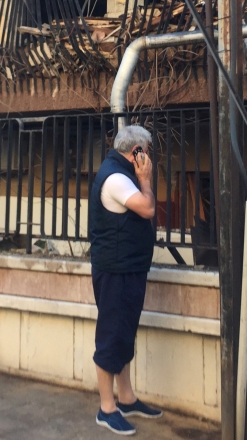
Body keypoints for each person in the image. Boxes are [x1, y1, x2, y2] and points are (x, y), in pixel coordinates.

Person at [88, 125, 164, 435]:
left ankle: (127, 397)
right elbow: (147, 208)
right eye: (146, 152)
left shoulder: (122, 174)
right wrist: (145, 180)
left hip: (128, 268)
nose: (148, 158)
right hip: (115, 270)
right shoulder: (117, 177)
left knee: (124, 333)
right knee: (111, 335)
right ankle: (107, 409)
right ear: (136, 152)